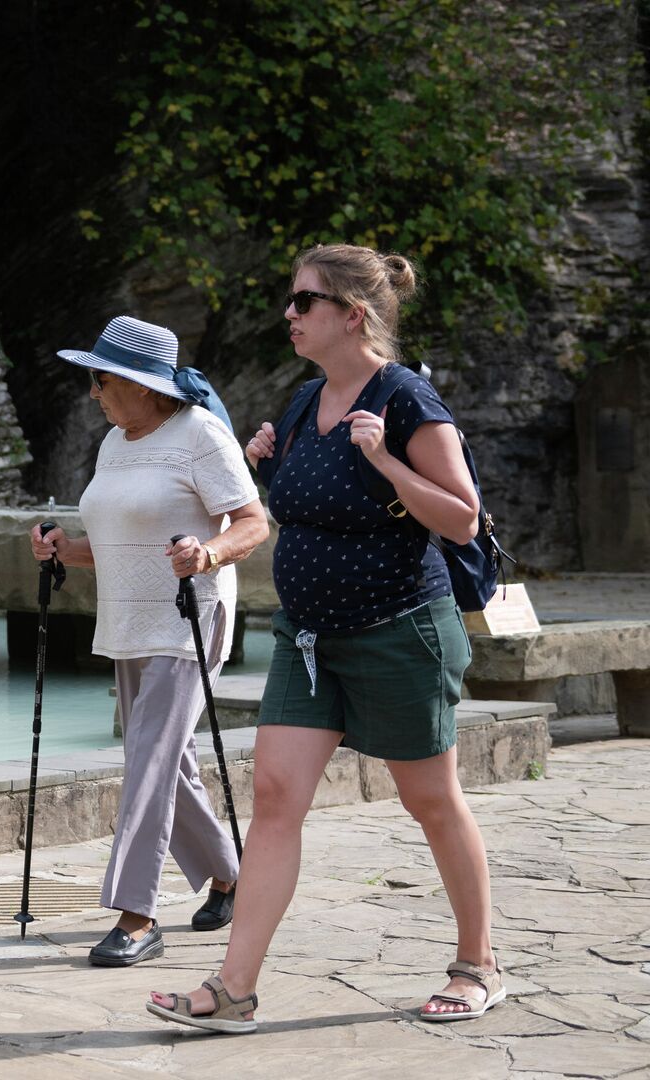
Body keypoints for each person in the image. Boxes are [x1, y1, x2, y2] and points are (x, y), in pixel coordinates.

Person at [147, 245, 500, 1034]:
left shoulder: (407, 400)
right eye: (291, 301)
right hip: (308, 640)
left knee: (430, 799)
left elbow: (461, 515)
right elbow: (303, 508)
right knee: (275, 800)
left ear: (352, 314)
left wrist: (382, 458)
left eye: (305, 302)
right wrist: (263, 463)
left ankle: (478, 963)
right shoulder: (307, 400)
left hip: (399, 632)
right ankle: (234, 990)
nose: (290, 314)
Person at [31, 315, 269, 967]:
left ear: (142, 385)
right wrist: (62, 551)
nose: (92, 393)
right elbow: (115, 544)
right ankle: (229, 874)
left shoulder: (200, 435)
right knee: (169, 762)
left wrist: (209, 552)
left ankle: (138, 917)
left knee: (147, 762)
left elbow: (252, 523)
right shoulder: (115, 443)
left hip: (189, 620)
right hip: (130, 624)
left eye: (100, 379)